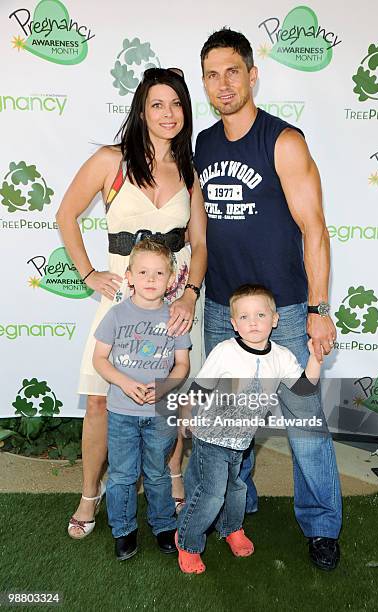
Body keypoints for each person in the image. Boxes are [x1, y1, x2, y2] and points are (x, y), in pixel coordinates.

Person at [194, 28, 341, 570]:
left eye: (233, 70)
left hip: (284, 311)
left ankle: (322, 526)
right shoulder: (204, 145)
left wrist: (319, 309)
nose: (223, 83)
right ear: (205, 83)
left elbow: (315, 229)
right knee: (230, 423)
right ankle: (238, 509)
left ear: (253, 75)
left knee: (304, 427)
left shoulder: (283, 140)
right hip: (220, 311)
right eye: (212, 74)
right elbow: (200, 229)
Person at [56, 67, 207, 539]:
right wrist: (88, 273)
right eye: (158, 104)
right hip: (121, 300)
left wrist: (189, 293)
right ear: (142, 109)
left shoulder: (189, 169)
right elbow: (65, 214)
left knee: (171, 397)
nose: (168, 113)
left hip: (175, 301)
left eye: (177, 104)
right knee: (101, 400)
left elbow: (199, 244)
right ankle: (89, 494)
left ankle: (174, 479)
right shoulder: (111, 160)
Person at [175, 284, 327, 574]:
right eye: (244, 317)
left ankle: (232, 528)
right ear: (234, 324)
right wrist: (185, 414)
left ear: (275, 319)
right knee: (211, 493)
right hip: (211, 436)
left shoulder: (281, 356)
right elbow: (200, 386)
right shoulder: (225, 351)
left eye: (260, 314)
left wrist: (315, 360)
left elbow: (305, 389)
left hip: (241, 442)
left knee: (236, 489)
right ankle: (188, 541)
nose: (253, 322)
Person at [92, 240, 190, 559]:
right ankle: (123, 529)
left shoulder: (175, 318)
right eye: (144, 272)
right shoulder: (117, 315)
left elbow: (182, 365)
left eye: (159, 272)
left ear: (171, 278)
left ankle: (163, 524)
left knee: (157, 471)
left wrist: (163, 387)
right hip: (121, 411)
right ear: (130, 276)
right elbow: (100, 360)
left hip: (160, 413)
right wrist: (124, 381)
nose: (151, 279)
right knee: (122, 473)